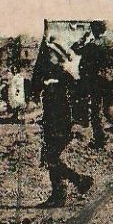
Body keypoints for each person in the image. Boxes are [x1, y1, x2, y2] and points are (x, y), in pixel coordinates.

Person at [31, 34, 94, 206]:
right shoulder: (57, 77)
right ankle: (58, 195)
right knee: (52, 157)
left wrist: (76, 124)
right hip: (54, 122)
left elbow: (73, 102)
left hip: (61, 123)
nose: (46, 59)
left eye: (49, 57)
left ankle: (79, 180)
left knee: (51, 158)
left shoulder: (63, 78)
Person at [78, 21, 113, 147]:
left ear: (93, 30)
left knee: (95, 111)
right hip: (112, 81)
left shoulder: (92, 45)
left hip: (97, 81)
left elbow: (76, 50)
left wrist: (84, 36)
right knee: (108, 110)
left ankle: (100, 140)